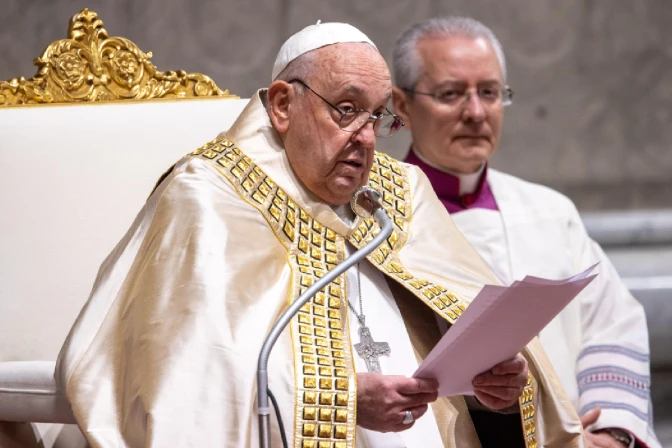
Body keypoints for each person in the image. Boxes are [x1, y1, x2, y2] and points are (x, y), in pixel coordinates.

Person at [56, 22, 583, 448]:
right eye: (347, 110)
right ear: (283, 105)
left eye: (379, 117)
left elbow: (463, 341)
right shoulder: (208, 194)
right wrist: (339, 400)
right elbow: (177, 382)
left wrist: (496, 390)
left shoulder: (398, 192)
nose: (367, 139)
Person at [392, 16, 661, 448]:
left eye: (490, 92)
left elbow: (611, 324)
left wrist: (612, 433)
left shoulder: (550, 212)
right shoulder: (376, 220)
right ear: (401, 105)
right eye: (450, 94)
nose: (476, 112)